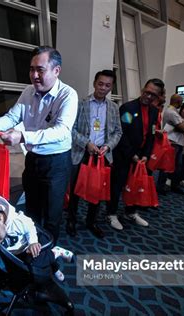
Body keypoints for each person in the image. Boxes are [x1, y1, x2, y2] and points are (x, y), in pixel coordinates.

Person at [0, 46, 78, 242]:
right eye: (31, 69)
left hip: (56, 162)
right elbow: (13, 116)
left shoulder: (68, 95)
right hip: (33, 159)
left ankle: (47, 257)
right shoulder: (28, 91)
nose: (34, 75)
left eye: (40, 70)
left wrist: (23, 136)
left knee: (52, 215)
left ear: (56, 71)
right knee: (32, 211)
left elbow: (61, 131)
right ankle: (31, 248)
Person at [66, 70, 122, 239]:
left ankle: (91, 222)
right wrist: (86, 143)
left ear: (111, 87)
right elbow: (71, 129)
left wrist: (108, 146)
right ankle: (71, 221)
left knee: (96, 191)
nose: (103, 88)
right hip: (81, 152)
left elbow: (118, 132)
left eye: (107, 85)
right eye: (100, 84)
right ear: (94, 83)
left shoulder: (113, 107)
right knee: (76, 189)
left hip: (102, 154)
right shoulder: (80, 104)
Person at [0, 198, 74, 281]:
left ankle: (57, 251)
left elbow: (30, 226)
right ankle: (55, 268)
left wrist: (33, 242)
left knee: (39, 261)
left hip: (31, 244)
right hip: (17, 249)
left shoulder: (16, 222)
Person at [107, 78, 163, 231]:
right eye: (147, 92)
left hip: (141, 157)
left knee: (136, 184)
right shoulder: (128, 108)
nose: (149, 96)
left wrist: (146, 154)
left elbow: (151, 134)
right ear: (142, 89)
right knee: (118, 185)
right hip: (124, 154)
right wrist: (132, 154)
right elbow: (122, 134)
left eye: (153, 95)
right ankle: (111, 213)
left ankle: (130, 212)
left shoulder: (154, 111)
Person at [156, 94, 184, 195]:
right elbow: (183, 128)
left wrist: (183, 125)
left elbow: (183, 126)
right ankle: (161, 187)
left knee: (176, 166)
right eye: (181, 102)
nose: (181, 104)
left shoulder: (173, 112)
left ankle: (173, 185)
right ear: (178, 102)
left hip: (176, 142)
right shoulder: (172, 112)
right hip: (173, 143)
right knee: (167, 166)